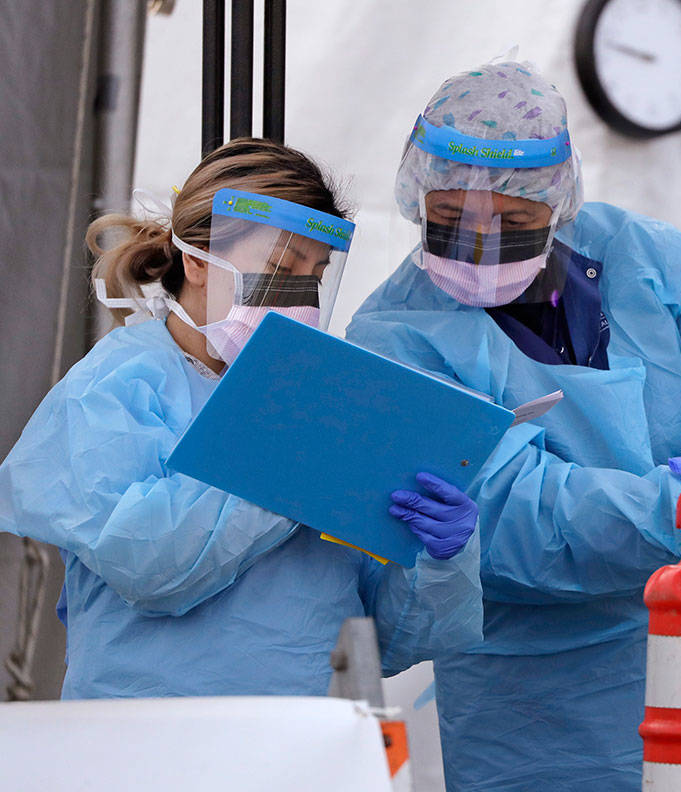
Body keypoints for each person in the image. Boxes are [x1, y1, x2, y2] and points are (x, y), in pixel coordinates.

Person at [346, 60, 681, 792]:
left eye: (509, 222)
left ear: (558, 202)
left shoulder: (643, 259)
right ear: (417, 195)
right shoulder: (393, 340)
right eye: (452, 221)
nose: (479, 248)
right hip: (545, 727)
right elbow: (514, 517)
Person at [0, 138, 483, 699]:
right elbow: (149, 565)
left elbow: (389, 639)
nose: (300, 297)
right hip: (145, 744)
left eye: (314, 276)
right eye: (279, 270)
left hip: (301, 744)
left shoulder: (324, 401)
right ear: (199, 261)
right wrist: (287, 467)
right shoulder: (115, 389)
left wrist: (436, 561)